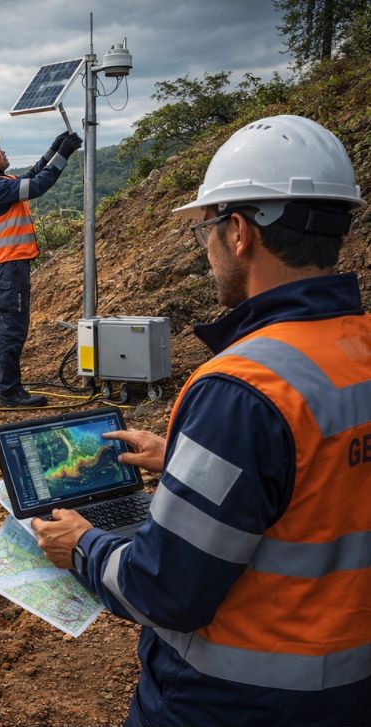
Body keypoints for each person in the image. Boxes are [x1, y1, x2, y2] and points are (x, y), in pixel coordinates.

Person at [32, 115, 370, 725]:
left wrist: (82, 545)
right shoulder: (357, 351)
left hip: (234, 704)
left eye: (206, 231)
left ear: (239, 231)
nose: (206, 247)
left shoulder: (242, 390)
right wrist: (183, 458)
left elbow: (164, 590)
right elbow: (324, 478)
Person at [0, 130, 82, 408]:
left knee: (7, 327)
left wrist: (54, 149)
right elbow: (38, 186)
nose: (2, 152)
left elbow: (31, 176)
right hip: (8, 266)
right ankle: (9, 392)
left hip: (7, 265)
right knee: (13, 330)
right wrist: (64, 155)